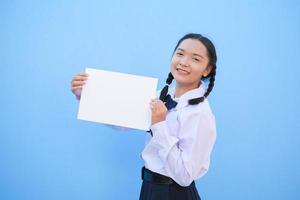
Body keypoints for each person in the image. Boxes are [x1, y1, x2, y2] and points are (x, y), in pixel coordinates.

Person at [71, 33, 217, 200]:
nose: (184, 62)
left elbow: (184, 176)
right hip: (150, 189)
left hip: (175, 193)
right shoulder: (161, 95)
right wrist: (86, 96)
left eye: (195, 59)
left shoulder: (199, 113)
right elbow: (122, 122)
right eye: (180, 53)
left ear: (207, 70)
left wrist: (160, 125)